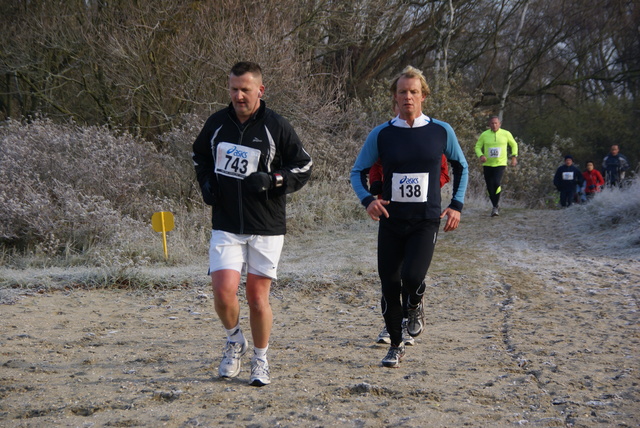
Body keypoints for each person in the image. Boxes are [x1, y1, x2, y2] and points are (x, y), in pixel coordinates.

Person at [192, 61, 312, 386]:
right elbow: (199, 156)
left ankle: (260, 359)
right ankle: (234, 340)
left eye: (245, 89)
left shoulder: (276, 126)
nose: (239, 95)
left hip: (266, 225)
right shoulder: (217, 123)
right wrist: (205, 183)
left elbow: (303, 166)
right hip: (227, 222)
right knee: (222, 292)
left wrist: (273, 179)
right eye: (233, 88)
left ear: (260, 90)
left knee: (257, 298)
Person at [350, 65, 468, 368]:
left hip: (425, 219)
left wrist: (456, 204)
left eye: (413, 92)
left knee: (412, 277)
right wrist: (367, 200)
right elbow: (357, 171)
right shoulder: (382, 133)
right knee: (389, 284)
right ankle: (395, 343)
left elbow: (461, 166)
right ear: (395, 97)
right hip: (391, 220)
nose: (408, 97)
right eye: (402, 92)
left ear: (423, 95)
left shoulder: (441, 131)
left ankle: (415, 305)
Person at [371, 154, 450, 347]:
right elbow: (374, 166)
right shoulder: (389, 138)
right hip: (391, 213)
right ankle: (392, 325)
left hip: (420, 216)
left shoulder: (430, 142)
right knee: (391, 276)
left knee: (410, 273)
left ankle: (408, 320)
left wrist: (429, 186)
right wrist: (376, 183)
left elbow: (444, 173)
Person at [474, 115, 518, 216]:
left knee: (496, 182)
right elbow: (477, 147)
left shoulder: (506, 134)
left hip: (500, 163)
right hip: (488, 164)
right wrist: (481, 155)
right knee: (489, 186)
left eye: (496, 123)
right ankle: (495, 206)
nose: (494, 125)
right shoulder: (484, 135)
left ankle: (495, 207)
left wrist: (514, 157)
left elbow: (514, 144)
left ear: (500, 124)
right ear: (489, 125)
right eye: (492, 123)